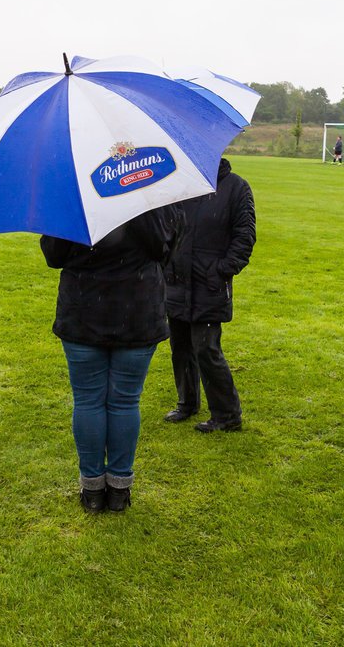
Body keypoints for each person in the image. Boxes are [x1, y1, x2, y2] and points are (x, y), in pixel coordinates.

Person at [41, 205, 183, 513]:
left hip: (84, 310)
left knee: (89, 401)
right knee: (124, 402)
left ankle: (93, 490)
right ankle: (118, 489)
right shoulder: (152, 190)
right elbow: (165, 247)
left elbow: (54, 255)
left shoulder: (74, 194)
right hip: (137, 311)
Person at [163, 157, 256, 432]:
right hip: (177, 280)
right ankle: (187, 402)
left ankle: (227, 415)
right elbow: (166, 229)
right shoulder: (179, 185)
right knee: (180, 347)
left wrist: (222, 269)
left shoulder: (236, 188)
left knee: (206, 348)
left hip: (209, 283)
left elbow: (245, 235)